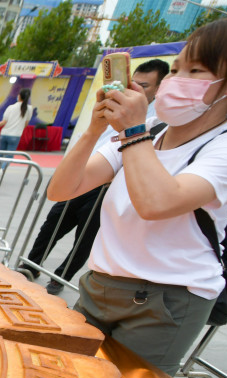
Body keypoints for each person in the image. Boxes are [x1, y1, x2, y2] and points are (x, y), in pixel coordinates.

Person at [47, 19, 227, 374]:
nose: (176, 80)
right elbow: (62, 189)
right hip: (100, 285)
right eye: (176, 69)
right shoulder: (150, 131)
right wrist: (95, 130)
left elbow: (157, 203)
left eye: (196, 70)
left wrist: (132, 131)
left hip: (167, 301)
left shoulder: (222, 145)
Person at [23, 59, 171, 294]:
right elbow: (57, 190)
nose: (135, 89)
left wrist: (132, 130)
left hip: (108, 188)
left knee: (85, 237)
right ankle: (31, 265)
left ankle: (61, 277)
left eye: (144, 85)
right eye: (134, 81)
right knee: (54, 222)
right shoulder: (121, 110)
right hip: (92, 171)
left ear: (158, 89)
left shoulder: (153, 123)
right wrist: (94, 129)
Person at [0, 87, 32, 174]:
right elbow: (26, 124)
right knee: (9, 155)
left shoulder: (11, 107)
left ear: (19, 96)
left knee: (1, 154)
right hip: (15, 135)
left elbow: (3, 122)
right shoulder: (29, 109)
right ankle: (2, 169)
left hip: (4, 134)